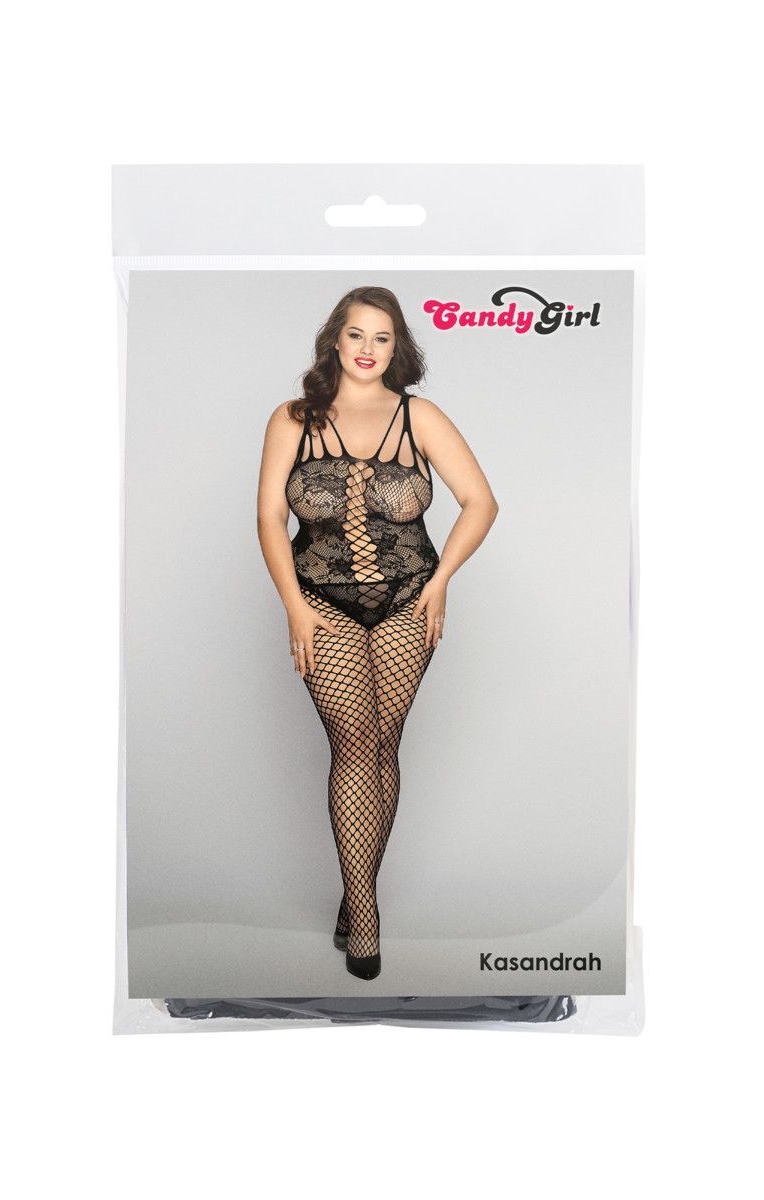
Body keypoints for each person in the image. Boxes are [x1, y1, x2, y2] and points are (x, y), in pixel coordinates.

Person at [257, 285, 499, 980]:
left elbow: (481, 502)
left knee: (384, 743)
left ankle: (353, 891)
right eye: (356, 334)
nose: (367, 349)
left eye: (382, 337)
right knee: (354, 741)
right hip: (320, 601)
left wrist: (441, 580)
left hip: (408, 600)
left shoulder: (419, 417)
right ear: (335, 339)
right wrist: (292, 605)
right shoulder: (293, 419)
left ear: (398, 349)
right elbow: (270, 517)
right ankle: (364, 912)